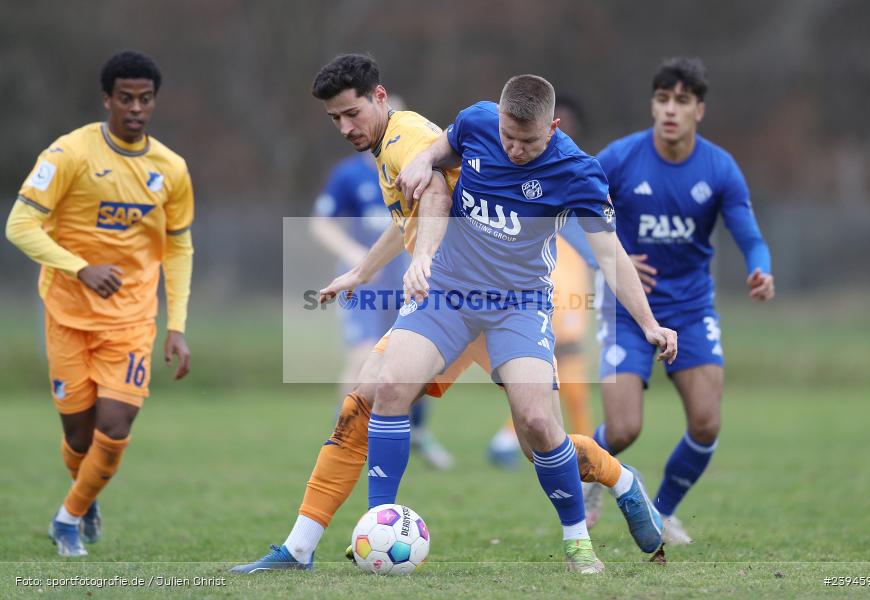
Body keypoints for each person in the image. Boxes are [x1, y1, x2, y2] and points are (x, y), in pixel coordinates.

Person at [231, 54, 644, 574]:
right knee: (372, 397)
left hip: (490, 297)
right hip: (449, 297)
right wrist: (362, 272)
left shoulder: (404, 140)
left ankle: (617, 485)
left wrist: (423, 256)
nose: (345, 127)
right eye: (335, 119)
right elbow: (413, 207)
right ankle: (307, 544)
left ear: (379, 98)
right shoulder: (420, 138)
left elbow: (436, 200)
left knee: (536, 428)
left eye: (352, 114)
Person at [378, 73, 678, 573]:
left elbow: (611, 255)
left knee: (537, 427)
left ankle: (588, 526)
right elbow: (441, 147)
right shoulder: (476, 122)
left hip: (519, 304)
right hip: (449, 291)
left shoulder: (578, 172)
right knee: (389, 387)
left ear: (553, 126)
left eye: (528, 141)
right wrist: (422, 159)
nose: (515, 149)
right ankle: (377, 522)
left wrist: (649, 323)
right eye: (507, 137)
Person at [4, 50, 194, 557]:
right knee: (80, 436)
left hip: (132, 319)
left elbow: (178, 246)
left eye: (145, 99)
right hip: (67, 314)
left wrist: (176, 323)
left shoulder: (171, 169)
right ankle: (85, 499)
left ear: (154, 102)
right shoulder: (69, 154)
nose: (136, 108)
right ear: (107, 99)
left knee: (115, 425)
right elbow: (19, 226)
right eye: (126, 98)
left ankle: (66, 519)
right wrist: (80, 267)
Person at [585, 57, 774, 543]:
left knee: (707, 424)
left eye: (682, 101)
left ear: (699, 111)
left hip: (690, 310)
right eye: (663, 99)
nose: (671, 110)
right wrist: (613, 259)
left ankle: (660, 510)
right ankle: (593, 474)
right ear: (653, 104)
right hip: (628, 309)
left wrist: (761, 269)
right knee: (624, 430)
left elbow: (750, 237)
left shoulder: (719, 167)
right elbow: (570, 219)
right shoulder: (620, 159)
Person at [309, 140, 453, 470]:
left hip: (406, 276)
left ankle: (415, 431)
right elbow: (320, 223)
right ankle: (344, 433)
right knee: (363, 354)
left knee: (415, 358)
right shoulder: (348, 174)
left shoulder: (417, 171)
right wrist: (352, 254)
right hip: (365, 282)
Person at [488, 95, 595, 467]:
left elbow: (595, 233)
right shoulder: (510, 165)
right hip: (535, 286)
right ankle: (512, 439)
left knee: (568, 379)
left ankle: (586, 450)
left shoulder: (577, 173)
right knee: (545, 374)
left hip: (569, 280)